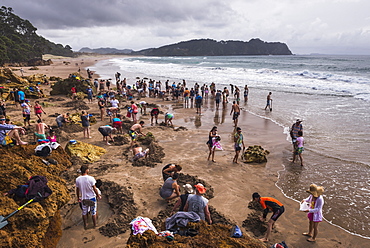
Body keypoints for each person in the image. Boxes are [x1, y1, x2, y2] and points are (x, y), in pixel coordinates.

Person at [75, 165, 101, 229]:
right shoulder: (91, 178)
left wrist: (78, 197)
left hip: (84, 198)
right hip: (92, 198)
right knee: (93, 212)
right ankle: (95, 225)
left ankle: (85, 224)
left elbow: (77, 189)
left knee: (84, 212)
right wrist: (98, 195)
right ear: (87, 170)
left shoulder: (78, 179)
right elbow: (94, 189)